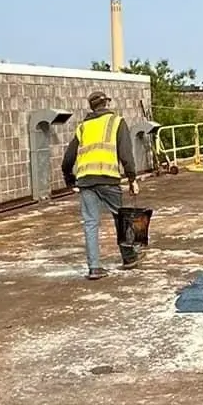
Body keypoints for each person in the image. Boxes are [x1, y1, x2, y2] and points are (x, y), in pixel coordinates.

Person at [63, 90, 139, 278]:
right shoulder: (116, 122)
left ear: (91, 106)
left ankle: (94, 267)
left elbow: (68, 157)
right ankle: (128, 257)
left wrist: (69, 177)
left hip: (86, 180)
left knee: (90, 223)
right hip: (108, 178)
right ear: (107, 104)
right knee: (120, 217)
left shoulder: (83, 127)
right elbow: (126, 154)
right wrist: (132, 178)